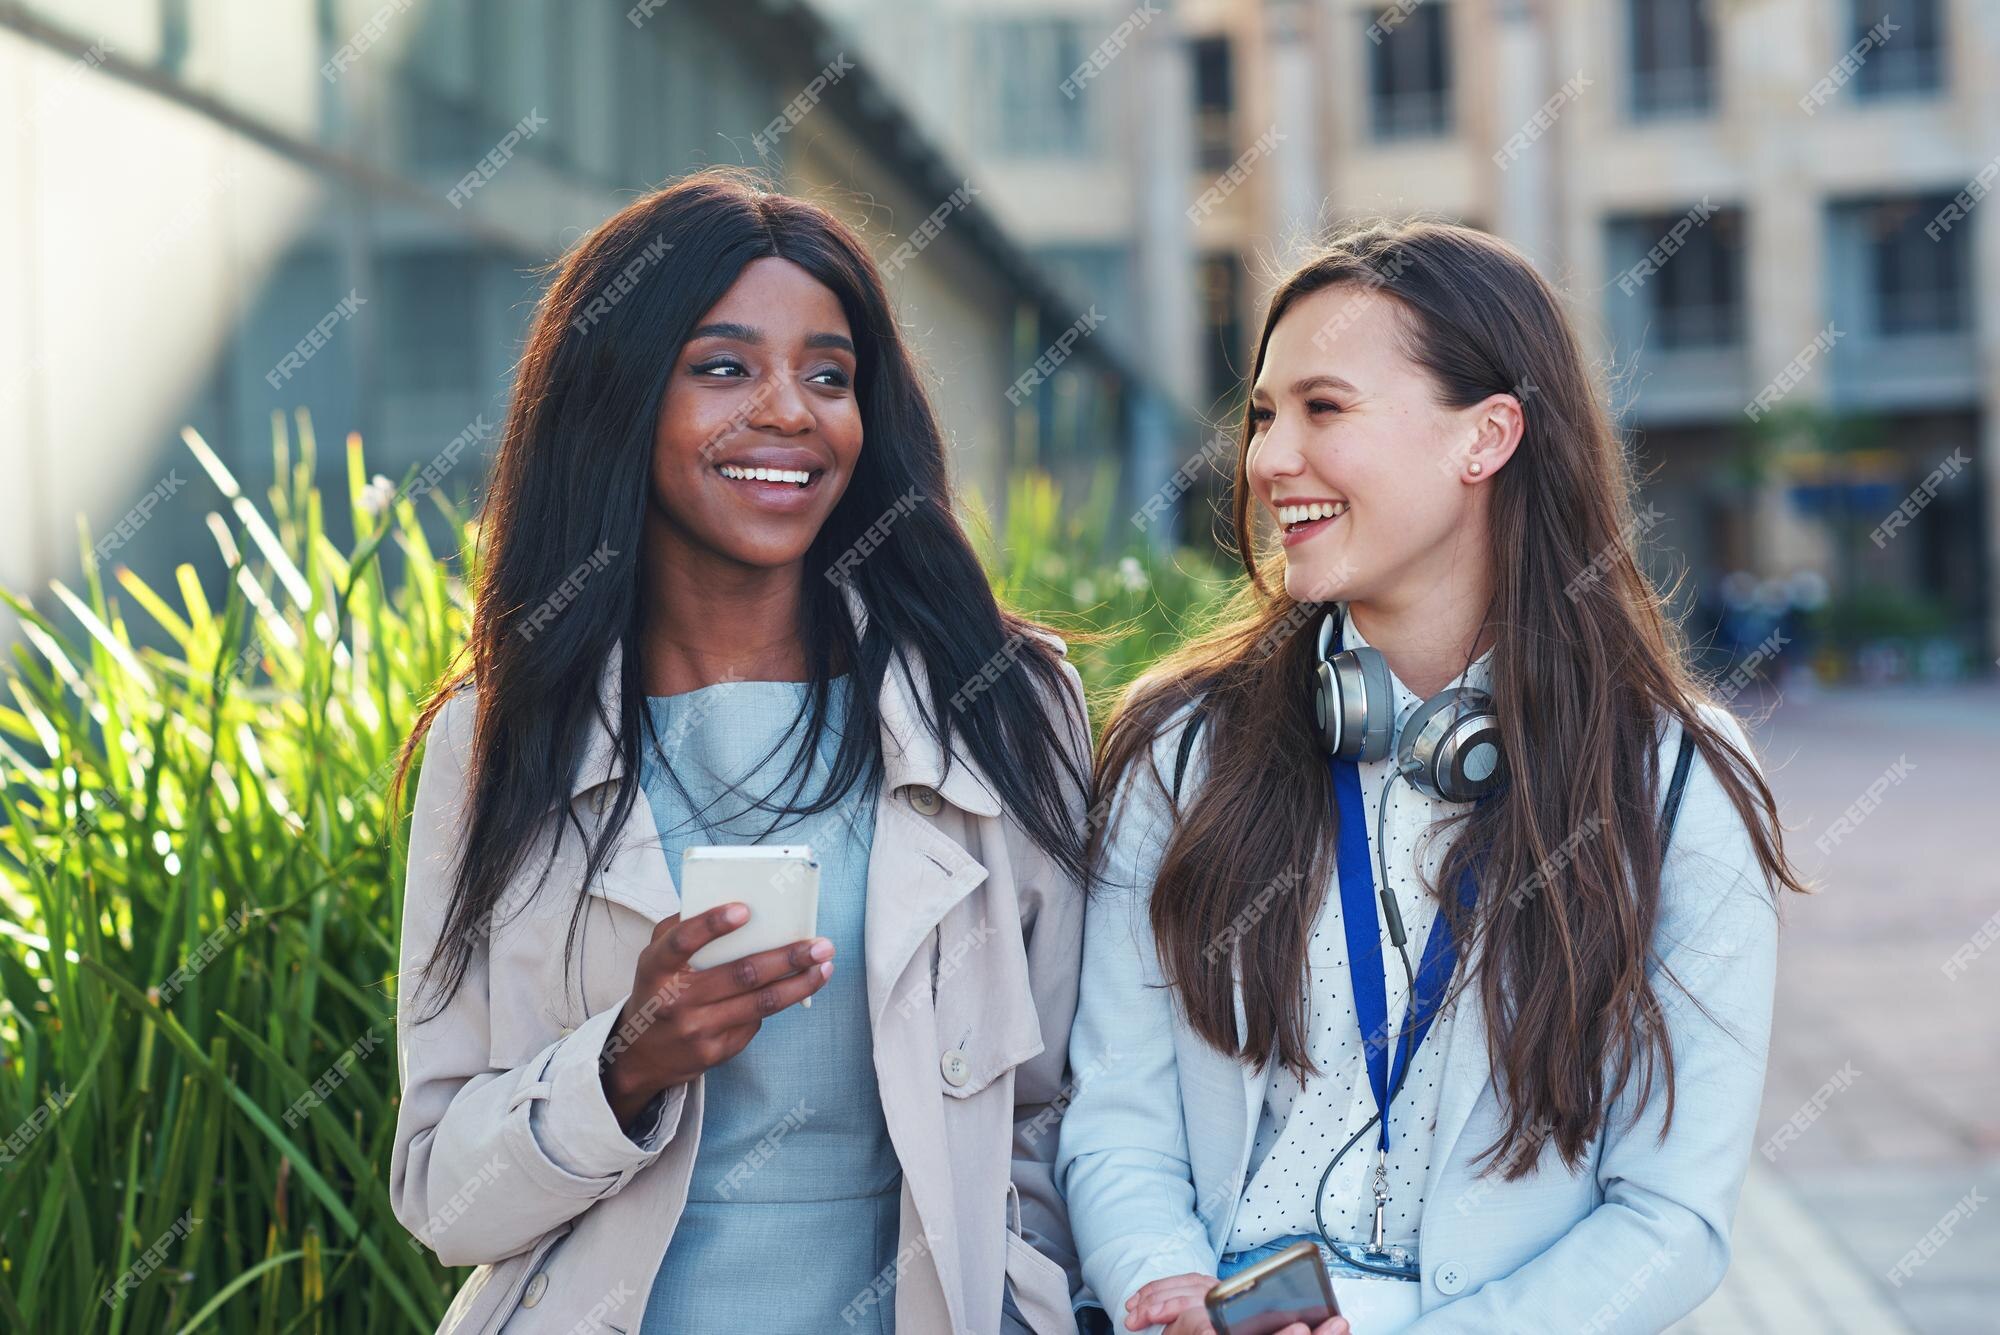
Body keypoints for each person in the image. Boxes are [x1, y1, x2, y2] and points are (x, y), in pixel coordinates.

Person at [1058, 222, 1805, 1335]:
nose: (1266, 460)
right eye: (1262, 414)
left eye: (1322, 408)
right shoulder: (1182, 746)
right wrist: (1166, 1292)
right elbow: (1115, 1121)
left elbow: (1668, 1216)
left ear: (1486, 436)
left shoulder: (1673, 776)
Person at [389, 168, 1091, 1334]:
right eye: (722, 368)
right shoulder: (499, 736)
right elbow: (438, 1194)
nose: (788, 411)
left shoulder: (1001, 709)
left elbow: (1061, 1111)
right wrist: (622, 1064)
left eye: (829, 374)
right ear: (615, 400)